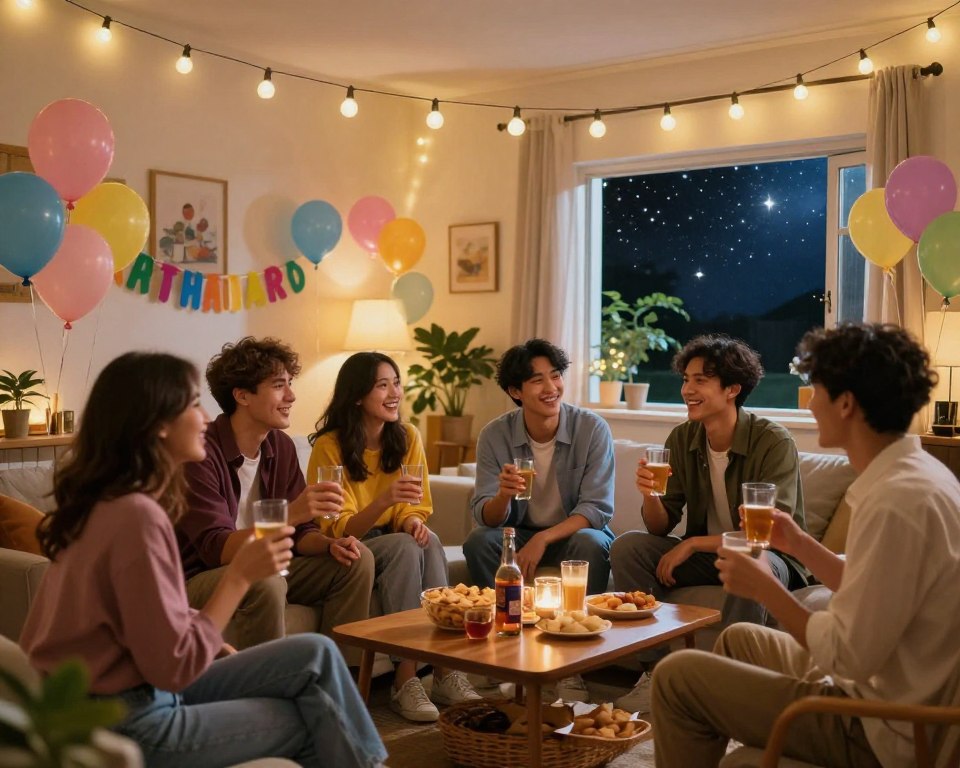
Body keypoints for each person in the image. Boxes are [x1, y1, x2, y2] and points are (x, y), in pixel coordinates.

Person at [20, 352, 387, 768]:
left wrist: (209, 638)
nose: (204, 418)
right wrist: (239, 578)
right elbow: (174, 667)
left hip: (131, 694)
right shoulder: (136, 517)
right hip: (128, 719)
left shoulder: (115, 503)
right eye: (193, 404)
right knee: (311, 717)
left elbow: (146, 623)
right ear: (158, 425)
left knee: (315, 654)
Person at [652, 323, 960, 768]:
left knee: (676, 676)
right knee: (739, 639)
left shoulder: (898, 503)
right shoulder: (915, 476)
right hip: (881, 684)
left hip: (883, 725)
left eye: (815, 391)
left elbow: (846, 657)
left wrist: (766, 589)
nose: (810, 405)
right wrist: (798, 543)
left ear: (847, 403)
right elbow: (869, 586)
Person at [609, 334, 806, 712]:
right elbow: (657, 529)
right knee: (628, 546)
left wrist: (693, 544)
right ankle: (653, 673)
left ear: (732, 388)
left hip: (770, 556)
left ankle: (733, 689)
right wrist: (650, 495)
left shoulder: (772, 441)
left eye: (700, 380)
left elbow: (765, 534)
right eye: (686, 379)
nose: (687, 389)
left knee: (746, 556)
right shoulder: (683, 438)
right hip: (709, 556)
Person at [176, 337, 374, 659]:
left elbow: (303, 532)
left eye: (289, 384)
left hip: (269, 564)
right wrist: (292, 514)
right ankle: (268, 694)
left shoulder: (280, 446)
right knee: (265, 577)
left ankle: (338, 683)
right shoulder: (200, 453)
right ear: (242, 396)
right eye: (279, 385)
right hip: (203, 576)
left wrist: (328, 544)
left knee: (355, 559)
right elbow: (217, 549)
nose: (291, 396)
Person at [308, 352, 480, 722]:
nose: (394, 393)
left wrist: (412, 522)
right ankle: (406, 678)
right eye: (382, 385)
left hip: (390, 535)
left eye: (396, 383)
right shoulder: (330, 445)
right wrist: (386, 500)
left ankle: (446, 669)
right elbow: (337, 527)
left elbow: (414, 505)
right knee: (404, 547)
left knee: (427, 540)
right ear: (357, 396)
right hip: (349, 544)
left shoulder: (406, 437)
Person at [463, 338, 615, 702]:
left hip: (573, 531)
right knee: (479, 542)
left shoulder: (591, 429)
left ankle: (572, 666)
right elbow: (484, 513)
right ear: (516, 391)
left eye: (556, 376)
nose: (552, 388)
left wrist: (543, 539)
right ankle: (506, 652)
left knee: (591, 544)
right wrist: (502, 494)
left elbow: (597, 509)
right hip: (518, 530)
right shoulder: (495, 434)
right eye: (537, 381)